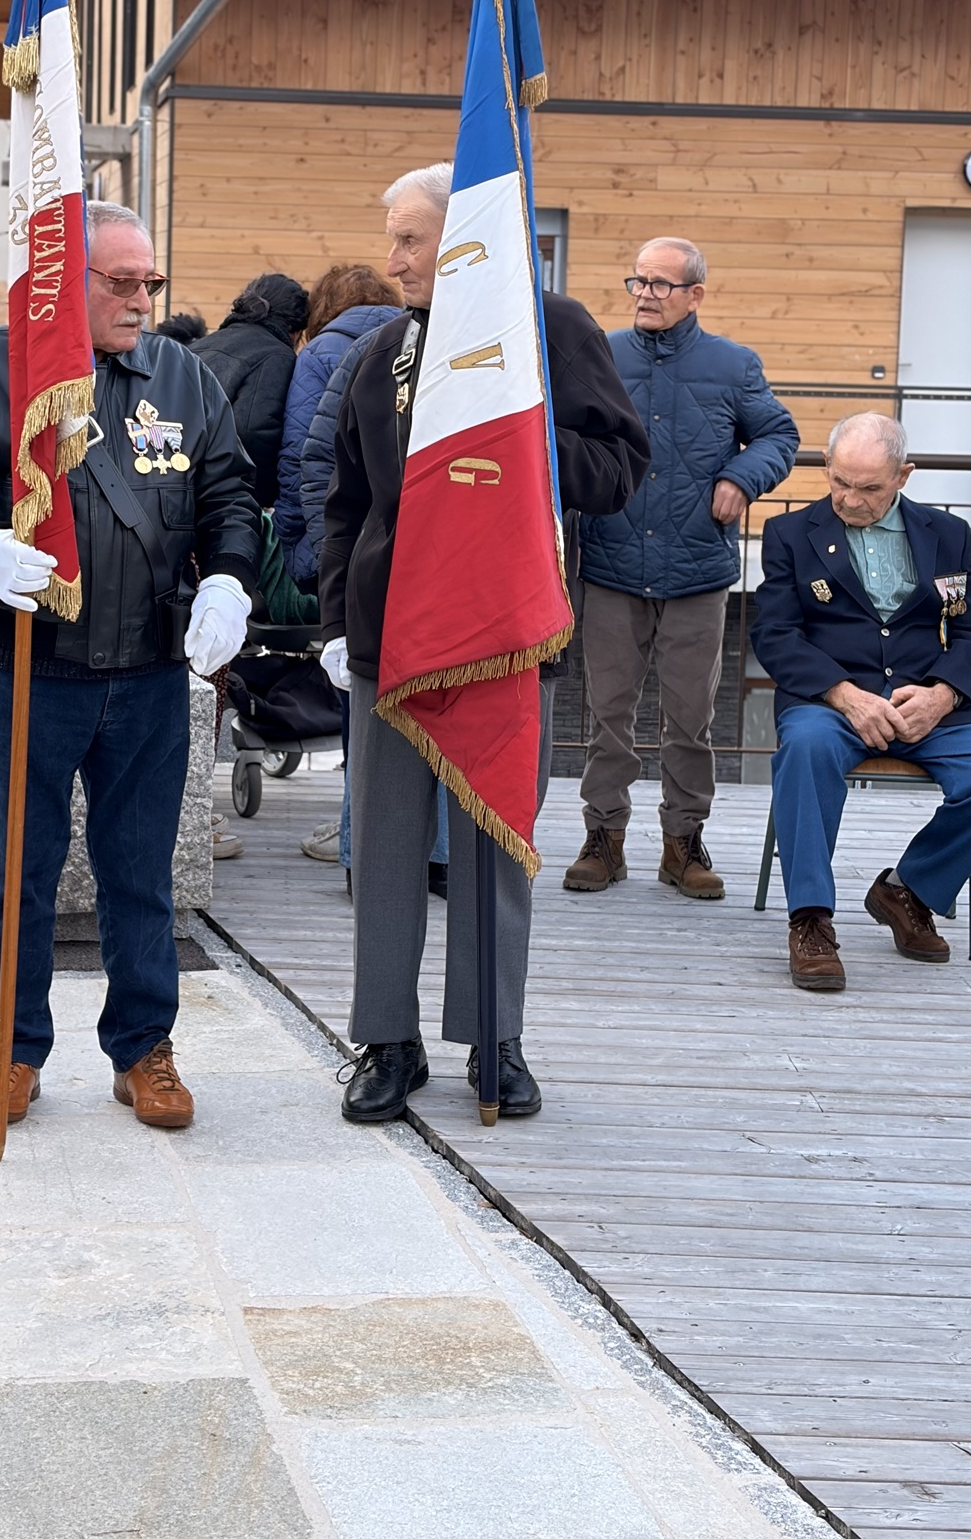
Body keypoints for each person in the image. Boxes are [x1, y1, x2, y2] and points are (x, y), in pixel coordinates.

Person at [0, 201, 260, 1129]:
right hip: (27, 669)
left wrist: (231, 584)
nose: (142, 300)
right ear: (66, 279)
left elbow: (229, 496)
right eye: (121, 282)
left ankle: (144, 1050)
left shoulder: (183, 376)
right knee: (20, 871)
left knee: (141, 873)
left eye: (151, 283)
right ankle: (12, 1051)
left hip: (145, 671)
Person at [319, 163, 649, 1123]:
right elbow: (345, 505)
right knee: (381, 851)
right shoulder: (382, 352)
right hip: (392, 641)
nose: (393, 260)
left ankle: (495, 1040)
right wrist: (339, 623)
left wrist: (524, 441)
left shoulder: (551, 331)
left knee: (493, 847)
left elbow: (621, 467)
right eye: (390, 238)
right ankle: (387, 1040)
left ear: (465, 240)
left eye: (411, 239)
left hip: (505, 640)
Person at [751, 412, 971, 992]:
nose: (849, 499)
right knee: (804, 749)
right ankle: (810, 920)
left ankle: (908, 889)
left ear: (904, 475)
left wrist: (943, 696)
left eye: (869, 487)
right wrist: (845, 695)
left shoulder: (945, 535)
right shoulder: (790, 535)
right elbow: (774, 635)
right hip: (832, 701)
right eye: (840, 482)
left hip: (929, 701)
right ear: (827, 467)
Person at [569, 238, 798, 901]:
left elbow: (779, 436)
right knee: (608, 715)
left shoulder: (733, 365)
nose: (644, 292)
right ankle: (602, 840)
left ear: (695, 294)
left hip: (697, 571)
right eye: (637, 280)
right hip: (611, 563)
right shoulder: (602, 355)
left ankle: (683, 844)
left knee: (690, 718)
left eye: (660, 283)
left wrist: (741, 476)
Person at [275, 265, 400, 591]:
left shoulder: (318, 354)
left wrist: (296, 543)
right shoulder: (417, 340)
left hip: (340, 528)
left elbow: (300, 453)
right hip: (407, 529)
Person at [190, 273, 309, 506]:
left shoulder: (197, 346)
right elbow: (252, 432)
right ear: (296, 329)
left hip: (175, 485)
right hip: (222, 500)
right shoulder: (277, 356)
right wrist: (263, 500)